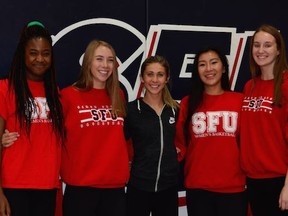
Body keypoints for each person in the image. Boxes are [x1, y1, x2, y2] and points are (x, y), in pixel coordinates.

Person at [0, 21, 65, 216]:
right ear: (23, 54)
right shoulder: (5, 89)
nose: (40, 59)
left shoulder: (56, 94)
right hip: (14, 186)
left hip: (47, 187)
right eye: (33, 53)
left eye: (45, 53)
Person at [175, 47, 248, 216]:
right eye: (202, 64)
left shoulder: (239, 100)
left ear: (223, 68)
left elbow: (250, 142)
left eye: (214, 62)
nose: (208, 68)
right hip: (198, 188)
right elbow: (179, 143)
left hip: (233, 188)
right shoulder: (188, 103)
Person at [60, 39, 129, 216]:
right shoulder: (68, 96)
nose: (105, 65)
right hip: (81, 188)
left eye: (110, 60)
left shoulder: (118, 95)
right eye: (99, 59)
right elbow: (51, 135)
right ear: (88, 62)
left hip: (114, 188)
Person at [240, 24, 288, 215]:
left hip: (279, 179)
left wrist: (287, 185)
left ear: (278, 50)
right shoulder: (249, 86)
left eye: (267, 45)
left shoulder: (285, 85)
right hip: (253, 181)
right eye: (256, 45)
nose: (261, 51)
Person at [124, 55, 180, 216]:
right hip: (138, 186)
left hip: (168, 187)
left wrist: (177, 155)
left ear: (167, 78)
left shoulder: (175, 110)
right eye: (150, 74)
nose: (155, 80)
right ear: (142, 77)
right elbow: (120, 143)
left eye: (160, 74)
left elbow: (183, 141)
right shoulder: (131, 110)